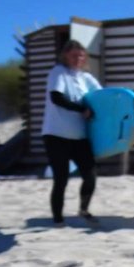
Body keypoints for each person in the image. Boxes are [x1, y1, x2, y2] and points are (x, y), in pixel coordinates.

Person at [42, 40, 101, 224]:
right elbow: (56, 98)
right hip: (56, 135)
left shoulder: (86, 78)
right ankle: (58, 220)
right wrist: (81, 110)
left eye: (81, 55)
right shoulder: (58, 72)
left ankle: (83, 209)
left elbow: (102, 97)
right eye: (74, 55)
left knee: (90, 175)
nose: (78, 59)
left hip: (79, 136)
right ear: (65, 55)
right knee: (61, 179)